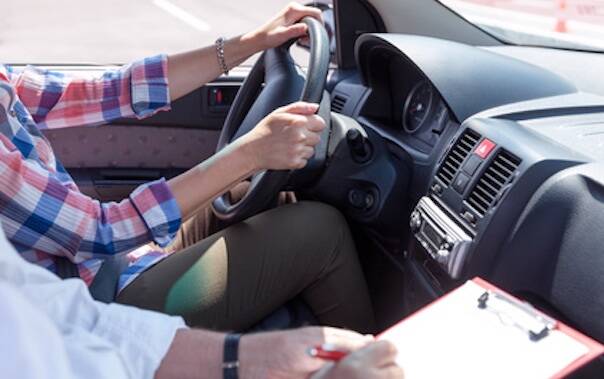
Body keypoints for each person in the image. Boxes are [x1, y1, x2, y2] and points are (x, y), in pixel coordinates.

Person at [0, 3, 375, 333]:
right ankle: (378, 362)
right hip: (97, 309)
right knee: (321, 231)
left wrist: (250, 42)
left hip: (106, 268)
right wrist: (251, 152)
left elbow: (110, 90)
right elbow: (100, 231)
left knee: (261, 194)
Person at [0, 226, 404, 379]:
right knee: (322, 230)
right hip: (115, 286)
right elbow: (97, 228)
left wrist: (244, 356)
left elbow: (65, 313)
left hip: (112, 276)